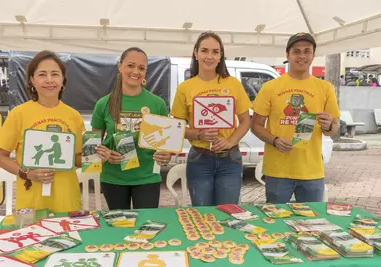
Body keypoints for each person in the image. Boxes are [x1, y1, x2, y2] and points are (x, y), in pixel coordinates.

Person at [251, 32, 340, 204]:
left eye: (307, 51)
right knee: (276, 223)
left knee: (311, 224)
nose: (302, 56)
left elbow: (332, 130)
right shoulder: (270, 87)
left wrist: (329, 125)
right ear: (287, 55)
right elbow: (256, 126)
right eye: (296, 51)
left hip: (311, 171)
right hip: (277, 171)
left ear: (313, 55)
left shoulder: (325, 88)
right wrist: (275, 140)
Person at [0, 50, 85, 213]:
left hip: (67, 201)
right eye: (42, 74)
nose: (49, 80)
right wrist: (28, 174)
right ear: (32, 80)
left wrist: (97, 157)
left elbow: (78, 159)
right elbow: (1, 157)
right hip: (31, 202)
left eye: (55, 74)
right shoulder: (18, 114)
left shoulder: (74, 116)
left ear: (63, 79)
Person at [171, 31, 251, 206]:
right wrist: (198, 135)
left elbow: (245, 121)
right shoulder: (185, 88)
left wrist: (230, 141)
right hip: (200, 159)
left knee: (227, 212)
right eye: (204, 50)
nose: (210, 56)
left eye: (215, 52)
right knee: (202, 215)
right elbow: (176, 127)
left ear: (221, 55)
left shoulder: (232, 84)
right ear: (195, 53)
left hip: (230, 159)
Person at [91, 47, 171, 210]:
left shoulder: (157, 104)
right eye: (130, 65)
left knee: (147, 227)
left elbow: (165, 146)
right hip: (113, 178)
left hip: (147, 177)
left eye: (141, 68)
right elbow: (91, 148)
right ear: (120, 66)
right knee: (119, 227)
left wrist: (166, 156)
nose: (136, 71)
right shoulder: (103, 104)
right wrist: (105, 155)